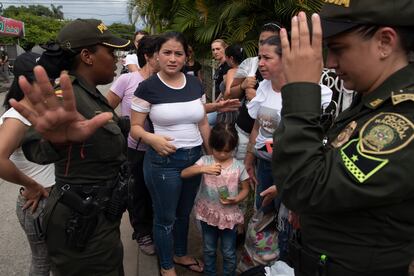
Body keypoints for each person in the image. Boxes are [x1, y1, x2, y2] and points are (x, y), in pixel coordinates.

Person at [268, 2, 414, 275]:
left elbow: (306, 188)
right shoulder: (374, 101)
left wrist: (301, 90)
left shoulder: (402, 120)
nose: (330, 63)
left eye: (338, 48)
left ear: (385, 42)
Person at [10, 19, 130, 275]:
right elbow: (34, 147)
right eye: (110, 52)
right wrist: (56, 140)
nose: (116, 58)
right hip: (83, 222)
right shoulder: (65, 96)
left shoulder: (90, 93)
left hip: (103, 216)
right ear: (87, 56)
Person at [244, 35, 332, 261]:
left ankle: (284, 261)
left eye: (267, 58)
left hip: (293, 169)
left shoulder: (311, 93)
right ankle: (263, 259)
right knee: (264, 213)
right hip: (265, 163)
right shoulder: (263, 88)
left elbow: (317, 138)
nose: (260, 63)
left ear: (285, 60)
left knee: (289, 219)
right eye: (259, 57)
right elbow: (257, 128)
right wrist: (249, 159)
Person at [130, 31, 210, 276]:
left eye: (179, 53)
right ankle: (166, 266)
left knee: (184, 213)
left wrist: (212, 155)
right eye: (167, 52)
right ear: (156, 55)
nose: (173, 58)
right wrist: (151, 137)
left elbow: (203, 122)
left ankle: (180, 253)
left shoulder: (196, 83)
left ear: (187, 57)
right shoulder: (147, 87)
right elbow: (134, 128)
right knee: (165, 218)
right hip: (163, 162)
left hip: (194, 157)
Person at [0, 52, 53, 276]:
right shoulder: (16, 118)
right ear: (24, 82)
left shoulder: (43, 108)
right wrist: (31, 185)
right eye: (42, 80)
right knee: (42, 264)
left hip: (54, 200)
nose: (50, 84)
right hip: (38, 204)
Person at [105, 35, 159, 255]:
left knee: (157, 192)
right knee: (137, 191)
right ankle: (142, 232)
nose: (168, 58)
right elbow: (105, 110)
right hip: (136, 148)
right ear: (147, 56)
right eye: (161, 53)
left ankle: (158, 228)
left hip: (163, 149)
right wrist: (123, 125)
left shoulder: (170, 81)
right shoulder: (127, 80)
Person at [181, 122, 249, 276]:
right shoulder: (206, 161)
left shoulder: (238, 166)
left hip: (229, 216)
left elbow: (246, 189)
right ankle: (210, 273)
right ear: (211, 146)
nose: (223, 155)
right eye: (219, 150)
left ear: (234, 148)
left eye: (228, 151)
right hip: (208, 215)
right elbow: (184, 173)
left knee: (228, 251)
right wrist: (202, 168)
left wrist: (236, 199)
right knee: (209, 248)